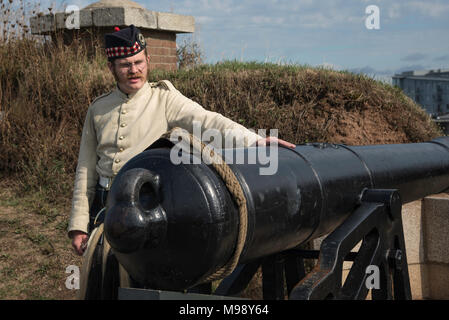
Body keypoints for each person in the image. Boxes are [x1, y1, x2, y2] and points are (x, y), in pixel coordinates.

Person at [68, 25, 295, 256]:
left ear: (148, 59)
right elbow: (85, 170)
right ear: (111, 68)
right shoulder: (98, 108)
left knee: (140, 278)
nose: (134, 70)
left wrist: (254, 141)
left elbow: (208, 121)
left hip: (145, 201)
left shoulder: (164, 98)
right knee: (103, 279)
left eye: (139, 62)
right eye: (126, 65)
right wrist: (78, 226)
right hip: (104, 204)